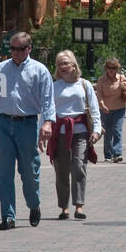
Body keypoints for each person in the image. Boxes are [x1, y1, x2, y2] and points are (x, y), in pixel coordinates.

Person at [0, 31, 56, 230]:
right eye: (12, 48)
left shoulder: (39, 70)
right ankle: (8, 216)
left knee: (29, 171)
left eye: (19, 49)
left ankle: (34, 205)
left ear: (29, 49)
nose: (15, 52)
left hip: (27, 124)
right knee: (4, 172)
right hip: (2, 124)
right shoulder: (1, 69)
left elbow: (47, 100)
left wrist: (47, 123)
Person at [49, 51, 101, 220]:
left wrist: (97, 130)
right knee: (61, 170)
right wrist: (42, 132)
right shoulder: (54, 86)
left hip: (81, 133)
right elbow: (47, 111)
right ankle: (63, 207)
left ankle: (79, 206)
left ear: (73, 65)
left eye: (65, 63)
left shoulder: (84, 85)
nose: (62, 67)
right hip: (60, 133)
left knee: (79, 167)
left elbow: (94, 109)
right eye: (59, 64)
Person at [96, 57, 126, 162]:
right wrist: (102, 104)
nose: (111, 70)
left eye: (113, 68)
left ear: (117, 68)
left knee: (117, 130)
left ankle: (117, 153)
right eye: (109, 68)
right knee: (107, 133)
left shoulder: (121, 78)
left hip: (119, 108)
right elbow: (99, 94)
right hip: (105, 109)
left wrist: (125, 88)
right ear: (106, 68)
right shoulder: (101, 80)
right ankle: (108, 155)